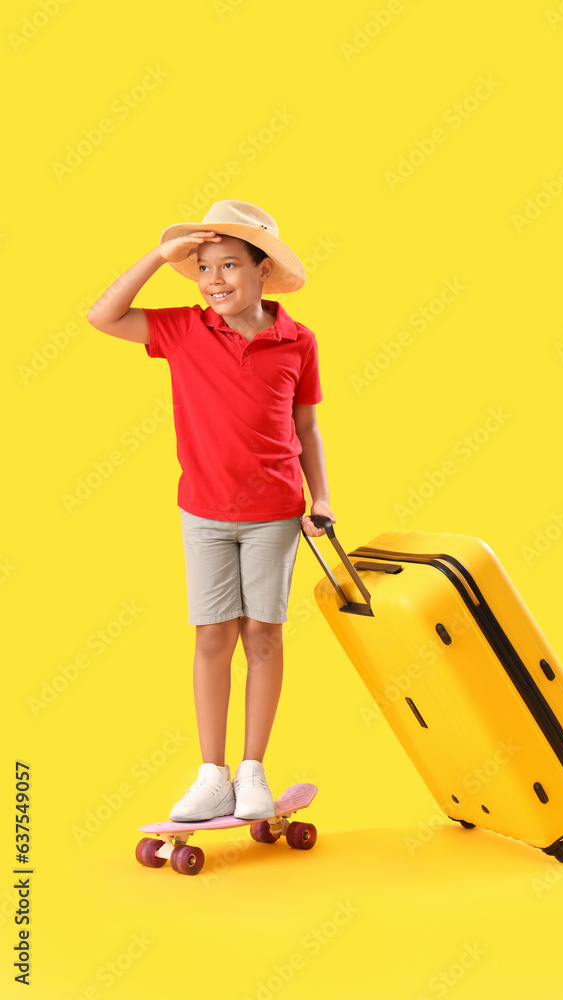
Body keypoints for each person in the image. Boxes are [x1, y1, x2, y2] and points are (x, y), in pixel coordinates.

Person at [87, 199, 335, 823]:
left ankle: (252, 770)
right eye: (203, 268)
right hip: (203, 512)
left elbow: (306, 425)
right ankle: (212, 774)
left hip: (277, 511)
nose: (214, 280)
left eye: (228, 265)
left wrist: (322, 498)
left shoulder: (296, 341)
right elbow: (102, 316)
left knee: (264, 636)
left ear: (262, 272)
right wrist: (157, 255)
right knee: (212, 637)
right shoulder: (182, 329)